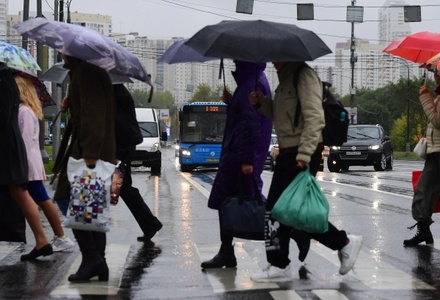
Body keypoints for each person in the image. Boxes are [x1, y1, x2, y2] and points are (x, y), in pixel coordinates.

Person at [249, 61, 363, 282]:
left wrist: (305, 153)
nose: (273, 60)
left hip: (300, 152)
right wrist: (261, 103)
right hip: (288, 151)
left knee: (285, 211)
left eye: (277, 55)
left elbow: (315, 118)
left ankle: (342, 243)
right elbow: (284, 116)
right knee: (281, 211)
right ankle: (283, 263)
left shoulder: (304, 75)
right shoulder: (284, 82)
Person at [200, 60, 273, 269]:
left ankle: (294, 236)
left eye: (236, 59)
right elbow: (246, 115)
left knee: (249, 204)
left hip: (241, 157)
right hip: (241, 154)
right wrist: (233, 102)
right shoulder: (253, 81)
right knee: (230, 202)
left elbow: (251, 124)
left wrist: (247, 161)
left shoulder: (252, 83)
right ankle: (226, 252)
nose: (233, 62)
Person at [52, 55, 116, 282]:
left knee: (65, 198)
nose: (60, 54)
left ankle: (92, 258)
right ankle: (99, 261)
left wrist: (90, 153)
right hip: (95, 149)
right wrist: (73, 102)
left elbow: (93, 115)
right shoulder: (89, 70)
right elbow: (90, 108)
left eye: (62, 50)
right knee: (92, 206)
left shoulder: (86, 72)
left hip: (88, 152)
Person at [15, 74, 75, 252]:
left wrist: (20, 165)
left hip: (26, 164)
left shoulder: (23, 111)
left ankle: (60, 237)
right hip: (29, 163)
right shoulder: (26, 110)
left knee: (41, 198)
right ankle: (59, 236)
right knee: (41, 198)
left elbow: (24, 141)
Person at [0, 63, 53, 260]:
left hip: (9, 148)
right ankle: (41, 240)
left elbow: (3, 117)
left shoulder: (5, 79)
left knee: (22, 192)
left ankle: (43, 240)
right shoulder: (7, 79)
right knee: (19, 192)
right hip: (11, 148)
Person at [113, 84, 163, 243]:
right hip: (121, 149)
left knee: (122, 188)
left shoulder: (117, 95)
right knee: (123, 188)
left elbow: (117, 125)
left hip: (119, 150)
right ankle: (150, 224)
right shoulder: (117, 92)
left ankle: (150, 224)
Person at [403, 72, 440, 246]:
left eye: (438, 73)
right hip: (435, 150)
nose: (435, 77)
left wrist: (425, 96)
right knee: (424, 191)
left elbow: (437, 120)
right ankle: (423, 230)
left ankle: (423, 229)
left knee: (425, 190)